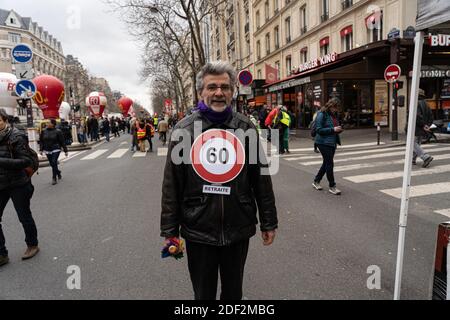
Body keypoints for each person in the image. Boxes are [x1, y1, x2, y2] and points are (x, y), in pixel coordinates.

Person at [160, 61, 278, 300]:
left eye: (225, 87)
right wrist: (170, 231)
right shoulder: (184, 130)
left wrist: (269, 221)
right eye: (212, 87)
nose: (218, 92)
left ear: (232, 91)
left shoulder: (245, 127)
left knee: (234, 293)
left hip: (238, 227)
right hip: (198, 229)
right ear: (200, 92)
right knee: (203, 294)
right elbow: (172, 185)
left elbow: (261, 178)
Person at [0, 108, 39, 266]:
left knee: (24, 216)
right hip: (1, 184)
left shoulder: (16, 136)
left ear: (4, 120)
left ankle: (32, 244)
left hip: (18, 183)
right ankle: (2, 254)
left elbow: (25, 161)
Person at [312, 98, 343, 195]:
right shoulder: (321, 114)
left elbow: (333, 127)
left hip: (332, 142)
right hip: (323, 142)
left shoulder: (333, 115)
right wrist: (333, 129)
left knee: (326, 163)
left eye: (337, 108)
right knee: (329, 163)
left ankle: (316, 181)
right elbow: (319, 129)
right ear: (330, 106)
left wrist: (338, 129)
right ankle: (332, 186)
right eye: (335, 108)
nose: (336, 110)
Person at [39, 119, 68, 185]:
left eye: (48, 123)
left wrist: (65, 150)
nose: (47, 124)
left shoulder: (58, 131)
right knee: (52, 164)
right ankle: (58, 172)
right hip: (47, 149)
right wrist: (41, 149)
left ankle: (54, 178)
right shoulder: (43, 131)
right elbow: (41, 141)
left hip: (56, 148)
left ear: (53, 124)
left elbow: (62, 141)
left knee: (54, 161)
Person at [412, 89, 434, 168]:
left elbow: (417, 117)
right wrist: (427, 125)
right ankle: (412, 159)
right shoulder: (426, 104)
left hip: (416, 128)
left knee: (412, 144)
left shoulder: (416, 103)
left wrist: (423, 125)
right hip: (422, 129)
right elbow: (431, 117)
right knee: (417, 144)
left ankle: (426, 157)